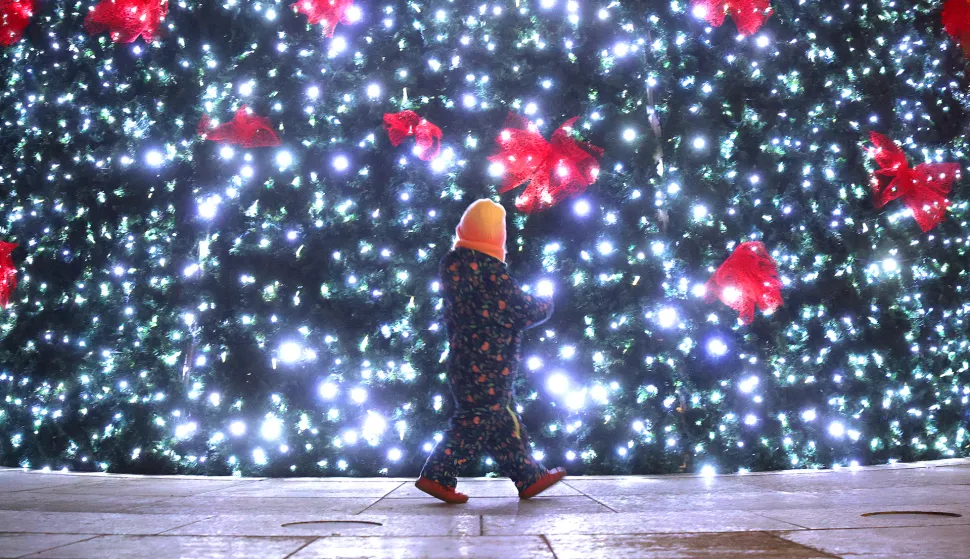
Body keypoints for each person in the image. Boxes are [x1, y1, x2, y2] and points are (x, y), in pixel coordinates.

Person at [415, 199, 566, 504]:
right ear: (499, 240)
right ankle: (437, 472)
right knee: (476, 419)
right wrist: (546, 300)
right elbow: (521, 310)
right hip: (492, 366)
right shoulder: (493, 274)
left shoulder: (454, 269)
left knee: (499, 422)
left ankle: (528, 476)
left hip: (462, 363)